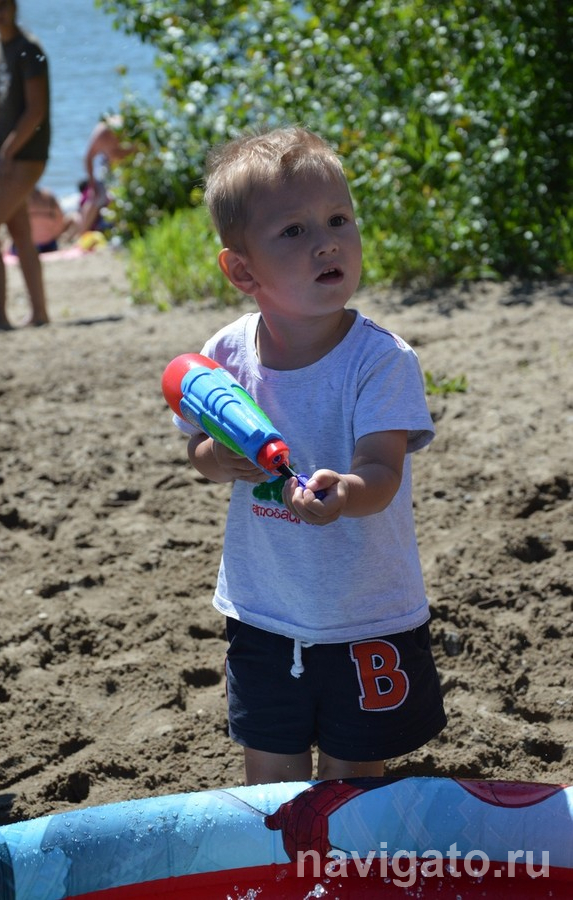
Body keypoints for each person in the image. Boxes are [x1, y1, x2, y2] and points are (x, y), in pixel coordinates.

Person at [170, 126, 447, 785]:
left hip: (365, 612)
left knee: (353, 785)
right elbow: (198, 449)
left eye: (339, 220)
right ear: (243, 270)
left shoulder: (381, 360)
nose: (327, 242)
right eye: (294, 231)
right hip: (263, 610)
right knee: (274, 788)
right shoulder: (226, 354)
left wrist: (344, 493)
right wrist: (220, 459)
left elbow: (382, 472)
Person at [0, 0, 50, 330]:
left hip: (24, 157)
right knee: (20, 232)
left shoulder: (28, 49)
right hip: (4, 158)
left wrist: (7, 151)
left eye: (2, 5)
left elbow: (36, 110)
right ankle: (39, 314)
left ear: (14, 5)